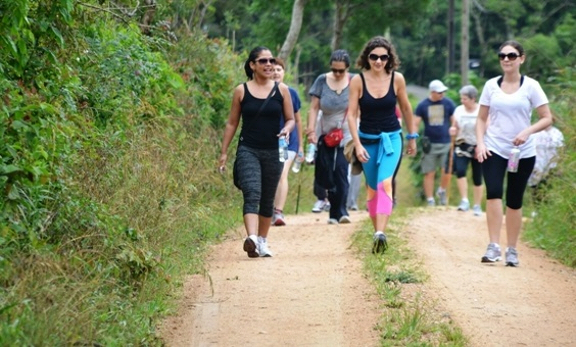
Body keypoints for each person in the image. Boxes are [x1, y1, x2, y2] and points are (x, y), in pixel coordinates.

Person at [475, 40, 553, 267]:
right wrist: (480, 143)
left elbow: (546, 117)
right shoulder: (490, 85)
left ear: (521, 58)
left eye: (511, 55)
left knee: (515, 200)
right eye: (502, 56)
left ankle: (512, 249)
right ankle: (493, 246)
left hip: (522, 152)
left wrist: (528, 131)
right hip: (494, 148)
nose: (506, 59)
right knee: (494, 192)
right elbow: (480, 118)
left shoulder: (531, 86)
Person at [218, 46, 295, 258]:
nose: (269, 64)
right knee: (252, 191)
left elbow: (290, 119)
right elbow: (232, 123)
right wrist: (224, 152)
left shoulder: (282, 90)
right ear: (252, 65)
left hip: (274, 150)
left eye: (271, 61)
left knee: (268, 197)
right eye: (263, 61)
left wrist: (287, 130)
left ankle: (262, 241)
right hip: (248, 149)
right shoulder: (241, 91)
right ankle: (251, 238)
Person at [347, 36, 418, 253]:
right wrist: (357, 145)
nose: (378, 61)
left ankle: (380, 233)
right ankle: (376, 231)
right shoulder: (358, 81)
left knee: (384, 183)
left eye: (383, 57)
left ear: (390, 59)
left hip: (391, 140)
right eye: (374, 57)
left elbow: (406, 109)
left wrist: (412, 137)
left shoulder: (397, 79)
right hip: (367, 140)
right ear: (366, 58)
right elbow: (351, 115)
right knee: (371, 189)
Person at [306, 49, 353, 224]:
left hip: (348, 131)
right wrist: (310, 130)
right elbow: (313, 107)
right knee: (327, 173)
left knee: (341, 169)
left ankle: (341, 210)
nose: (338, 74)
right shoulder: (321, 81)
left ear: (348, 68)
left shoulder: (355, 81)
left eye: (341, 70)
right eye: (334, 70)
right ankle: (333, 212)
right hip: (326, 131)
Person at [271, 58, 304, 226]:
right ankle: (268, 210)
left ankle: (278, 212)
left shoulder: (291, 94)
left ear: (284, 73)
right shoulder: (262, 92)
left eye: (279, 69)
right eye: (273, 69)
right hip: (267, 143)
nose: (276, 72)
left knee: (281, 174)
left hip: (287, 143)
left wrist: (300, 147)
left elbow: (297, 121)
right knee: (269, 176)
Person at [414, 79, 456, 206]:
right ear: (432, 92)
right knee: (429, 172)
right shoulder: (422, 105)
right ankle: (430, 199)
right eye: (439, 92)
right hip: (430, 144)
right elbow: (416, 123)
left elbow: (454, 120)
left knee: (447, 170)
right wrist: (414, 139)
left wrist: (453, 127)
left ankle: (442, 190)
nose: (441, 94)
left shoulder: (448, 103)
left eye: (443, 92)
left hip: (446, 142)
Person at [450, 85, 484, 216]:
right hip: (462, 144)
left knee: (477, 177)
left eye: (465, 99)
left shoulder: (482, 110)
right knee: (460, 171)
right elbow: (455, 126)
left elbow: (487, 128)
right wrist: (453, 131)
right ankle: (464, 200)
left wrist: (481, 145)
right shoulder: (458, 110)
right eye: (462, 98)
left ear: (473, 99)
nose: (462, 101)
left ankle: (477, 205)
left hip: (478, 146)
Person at [528, 121, 564, 206]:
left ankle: (550, 208)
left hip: (552, 166)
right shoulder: (534, 133)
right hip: (537, 166)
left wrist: (560, 166)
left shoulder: (556, 133)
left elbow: (561, 150)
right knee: (536, 188)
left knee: (549, 187)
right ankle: (537, 209)